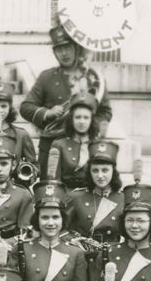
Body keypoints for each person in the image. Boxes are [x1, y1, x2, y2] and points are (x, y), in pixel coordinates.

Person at [20, 21, 113, 179]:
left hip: (83, 147)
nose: (64, 53)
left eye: (67, 47)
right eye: (59, 49)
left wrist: (89, 125)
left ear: (76, 48)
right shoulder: (47, 77)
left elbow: (105, 112)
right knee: (49, 196)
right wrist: (47, 113)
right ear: (54, 52)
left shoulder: (93, 78)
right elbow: (26, 107)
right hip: (51, 147)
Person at [65, 139, 124, 247]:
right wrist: (76, 242)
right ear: (89, 172)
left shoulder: (123, 198)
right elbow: (62, 230)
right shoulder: (77, 197)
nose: (100, 176)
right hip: (84, 256)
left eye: (105, 170)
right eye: (95, 170)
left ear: (113, 171)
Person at [49, 92, 102, 191]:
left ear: (92, 120)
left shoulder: (99, 146)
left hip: (92, 197)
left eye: (86, 117)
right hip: (66, 198)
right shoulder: (59, 145)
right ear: (71, 119)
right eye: (78, 117)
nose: (82, 121)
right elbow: (54, 181)